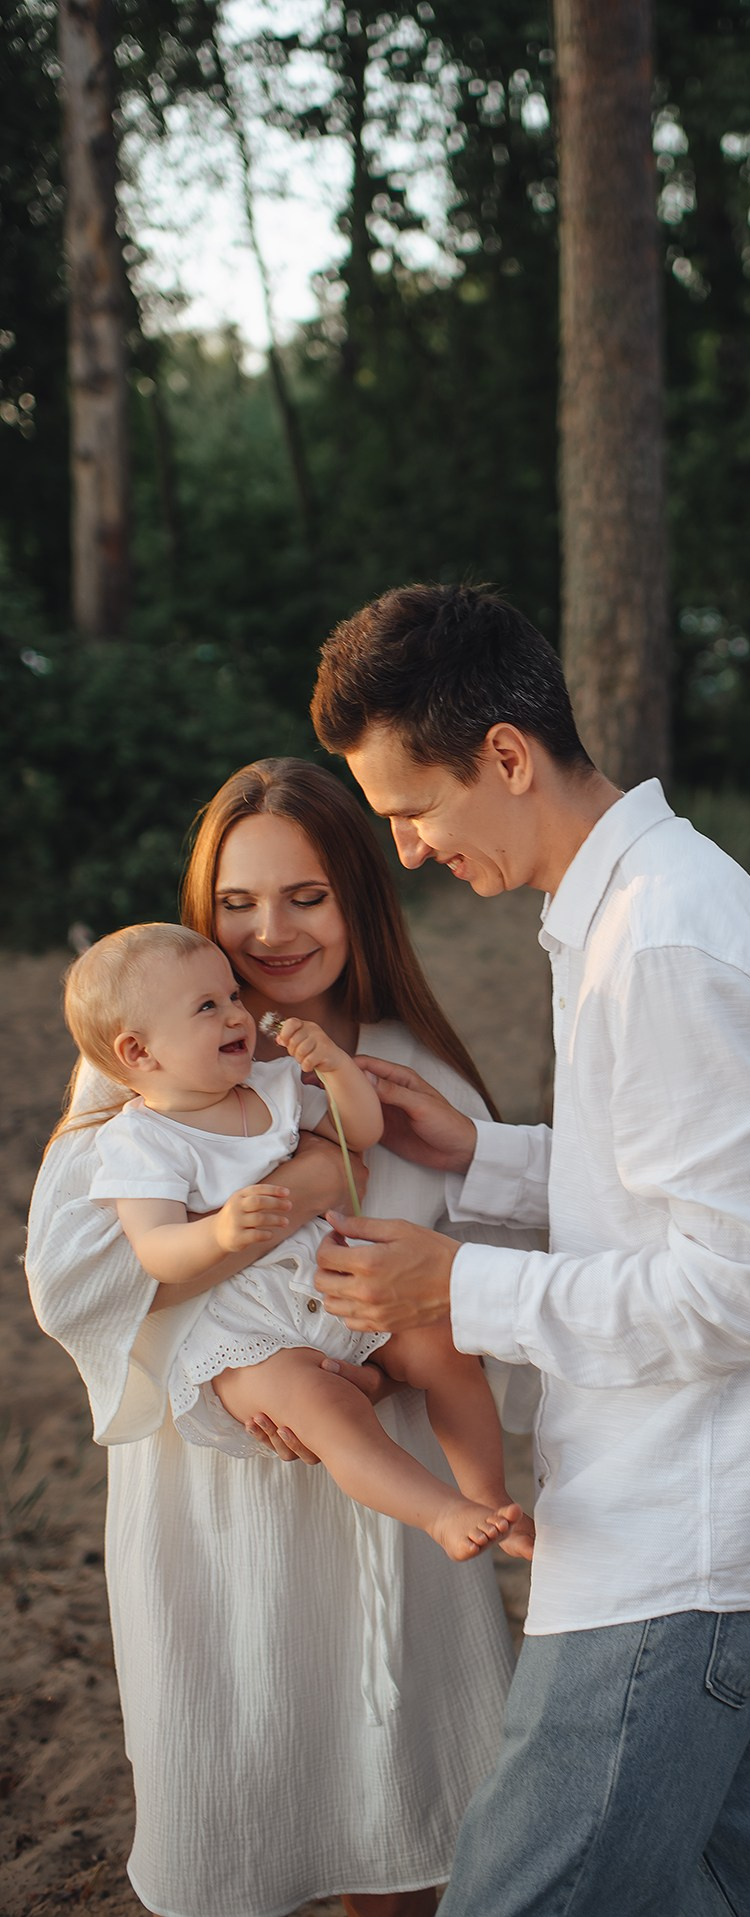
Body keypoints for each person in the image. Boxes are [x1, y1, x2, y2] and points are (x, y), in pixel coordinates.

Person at [307, 584, 750, 1917]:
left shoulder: (664, 939)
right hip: (689, 1521)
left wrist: (460, 1284)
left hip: (672, 1538)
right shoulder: (623, 908)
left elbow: (744, 1284)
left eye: (413, 808)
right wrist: (490, 1159)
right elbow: (666, 1196)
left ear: (507, 756)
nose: (402, 850)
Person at [26, 757, 537, 1917]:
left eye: (305, 896)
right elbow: (81, 1281)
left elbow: (503, 1273)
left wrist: (367, 1257)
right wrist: (231, 1368)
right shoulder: (132, 1081)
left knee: (407, 1833)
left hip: (390, 1494)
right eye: (239, 904)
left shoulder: (412, 1069)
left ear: (358, 899)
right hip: (212, 1499)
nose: (270, 934)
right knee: (239, 1803)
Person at [62, 920, 528, 1560]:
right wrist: (219, 1231)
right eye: (208, 1007)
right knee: (325, 1410)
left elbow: (358, 1133)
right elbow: (156, 1251)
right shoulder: (139, 1141)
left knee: (443, 1346)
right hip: (248, 1333)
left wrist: (333, 1069)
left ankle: (489, 1493)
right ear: (140, 1053)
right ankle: (441, 1512)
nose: (236, 1016)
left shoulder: (270, 1085)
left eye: (232, 997)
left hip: (331, 1282)